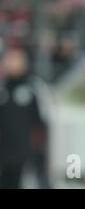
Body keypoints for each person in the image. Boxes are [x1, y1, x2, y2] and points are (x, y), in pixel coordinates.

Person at [0, 46, 48, 188]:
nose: (13, 63)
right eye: (10, 59)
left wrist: (39, 154)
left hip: (26, 156)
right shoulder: (2, 90)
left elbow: (40, 123)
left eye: (18, 59)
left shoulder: (35, 89)